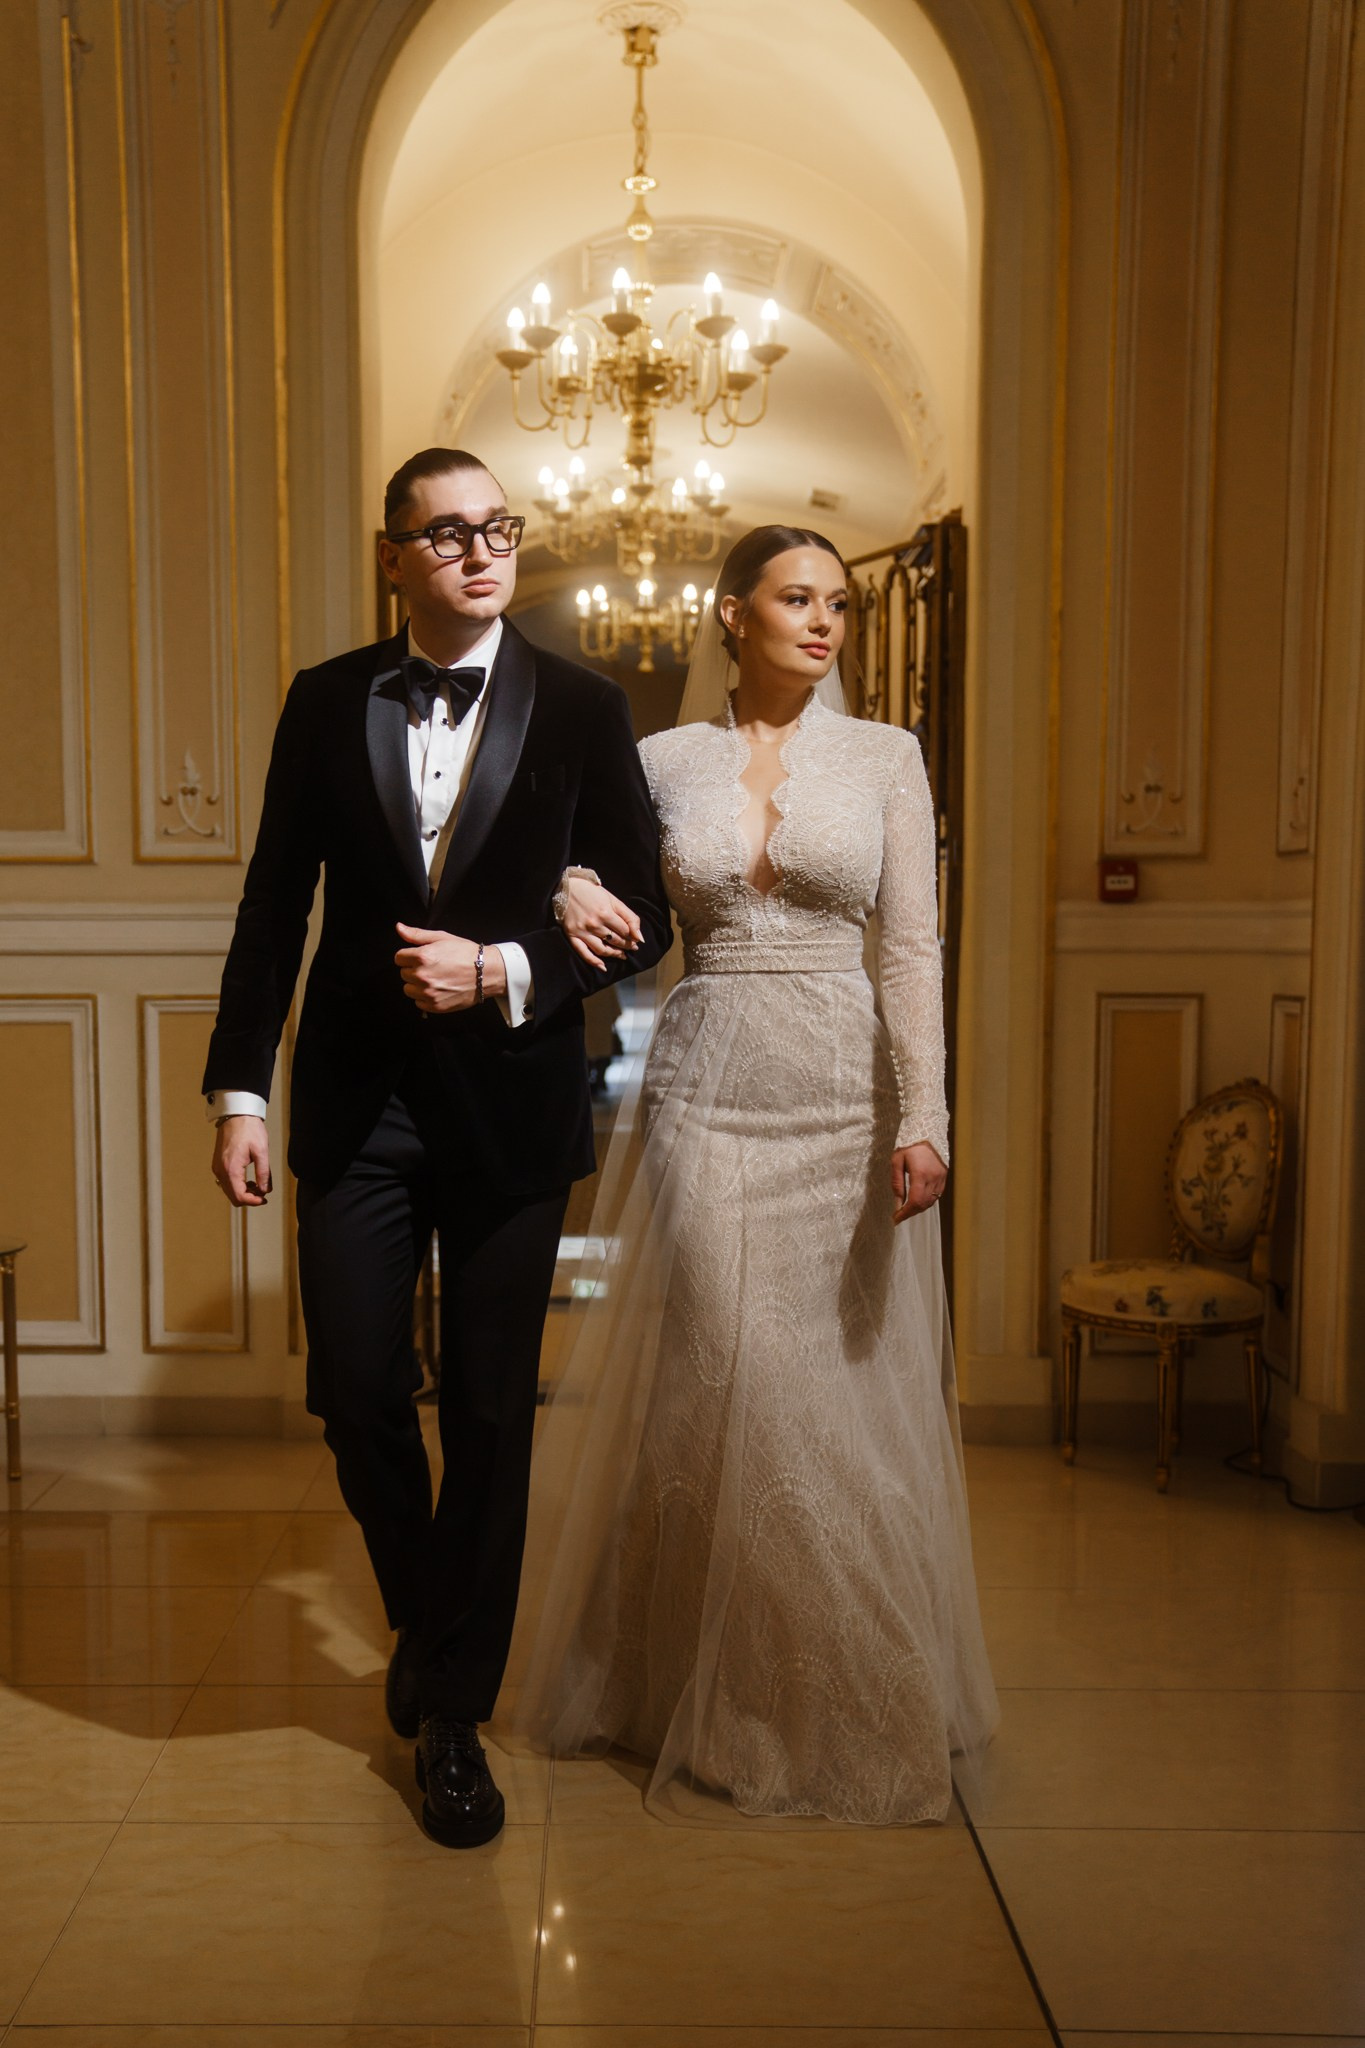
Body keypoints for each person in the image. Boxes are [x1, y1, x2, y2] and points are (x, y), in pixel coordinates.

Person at [203, 447, 671, 1849]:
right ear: (394, 556)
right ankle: (428, 1611)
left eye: (498, 529)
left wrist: (506, 969)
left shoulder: (584, 706)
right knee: (356, 1388)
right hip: (358, 1104)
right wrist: (240, 1094)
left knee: (486, 1412)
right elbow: (274, 903)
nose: (479, 551)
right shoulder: (325, 697)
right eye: (449, 531)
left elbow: (643, 916)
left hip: (513, 1100)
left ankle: (454, 1714)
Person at [511, 525, 997, 1824]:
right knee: (726, 1371)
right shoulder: (661, 758)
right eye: (797, 598)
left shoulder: (886, 756)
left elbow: (910, 951)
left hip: (843, 1092)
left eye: (838, 602)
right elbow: (574, 858)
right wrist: (565, 891)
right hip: (706, 1088)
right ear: (734, 614)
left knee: (829, 1392)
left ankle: (845, 1698)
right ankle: (699, 1692)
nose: (825, 621)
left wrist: (927, 1117)